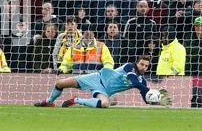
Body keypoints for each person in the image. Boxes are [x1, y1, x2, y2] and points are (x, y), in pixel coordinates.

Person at [34, 55, 173, 108]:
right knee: (60, 83)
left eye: (146, 66)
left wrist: (156, 101)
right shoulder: (130, 67)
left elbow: (145, 98)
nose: (143, 67)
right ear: (137, 63)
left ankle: (76, 100)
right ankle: (49, 101)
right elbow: (134, 82)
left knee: (105, 104)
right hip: (96, 78)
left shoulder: (143, 81)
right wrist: (148, 90)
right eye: (142, 64)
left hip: (103, 90)